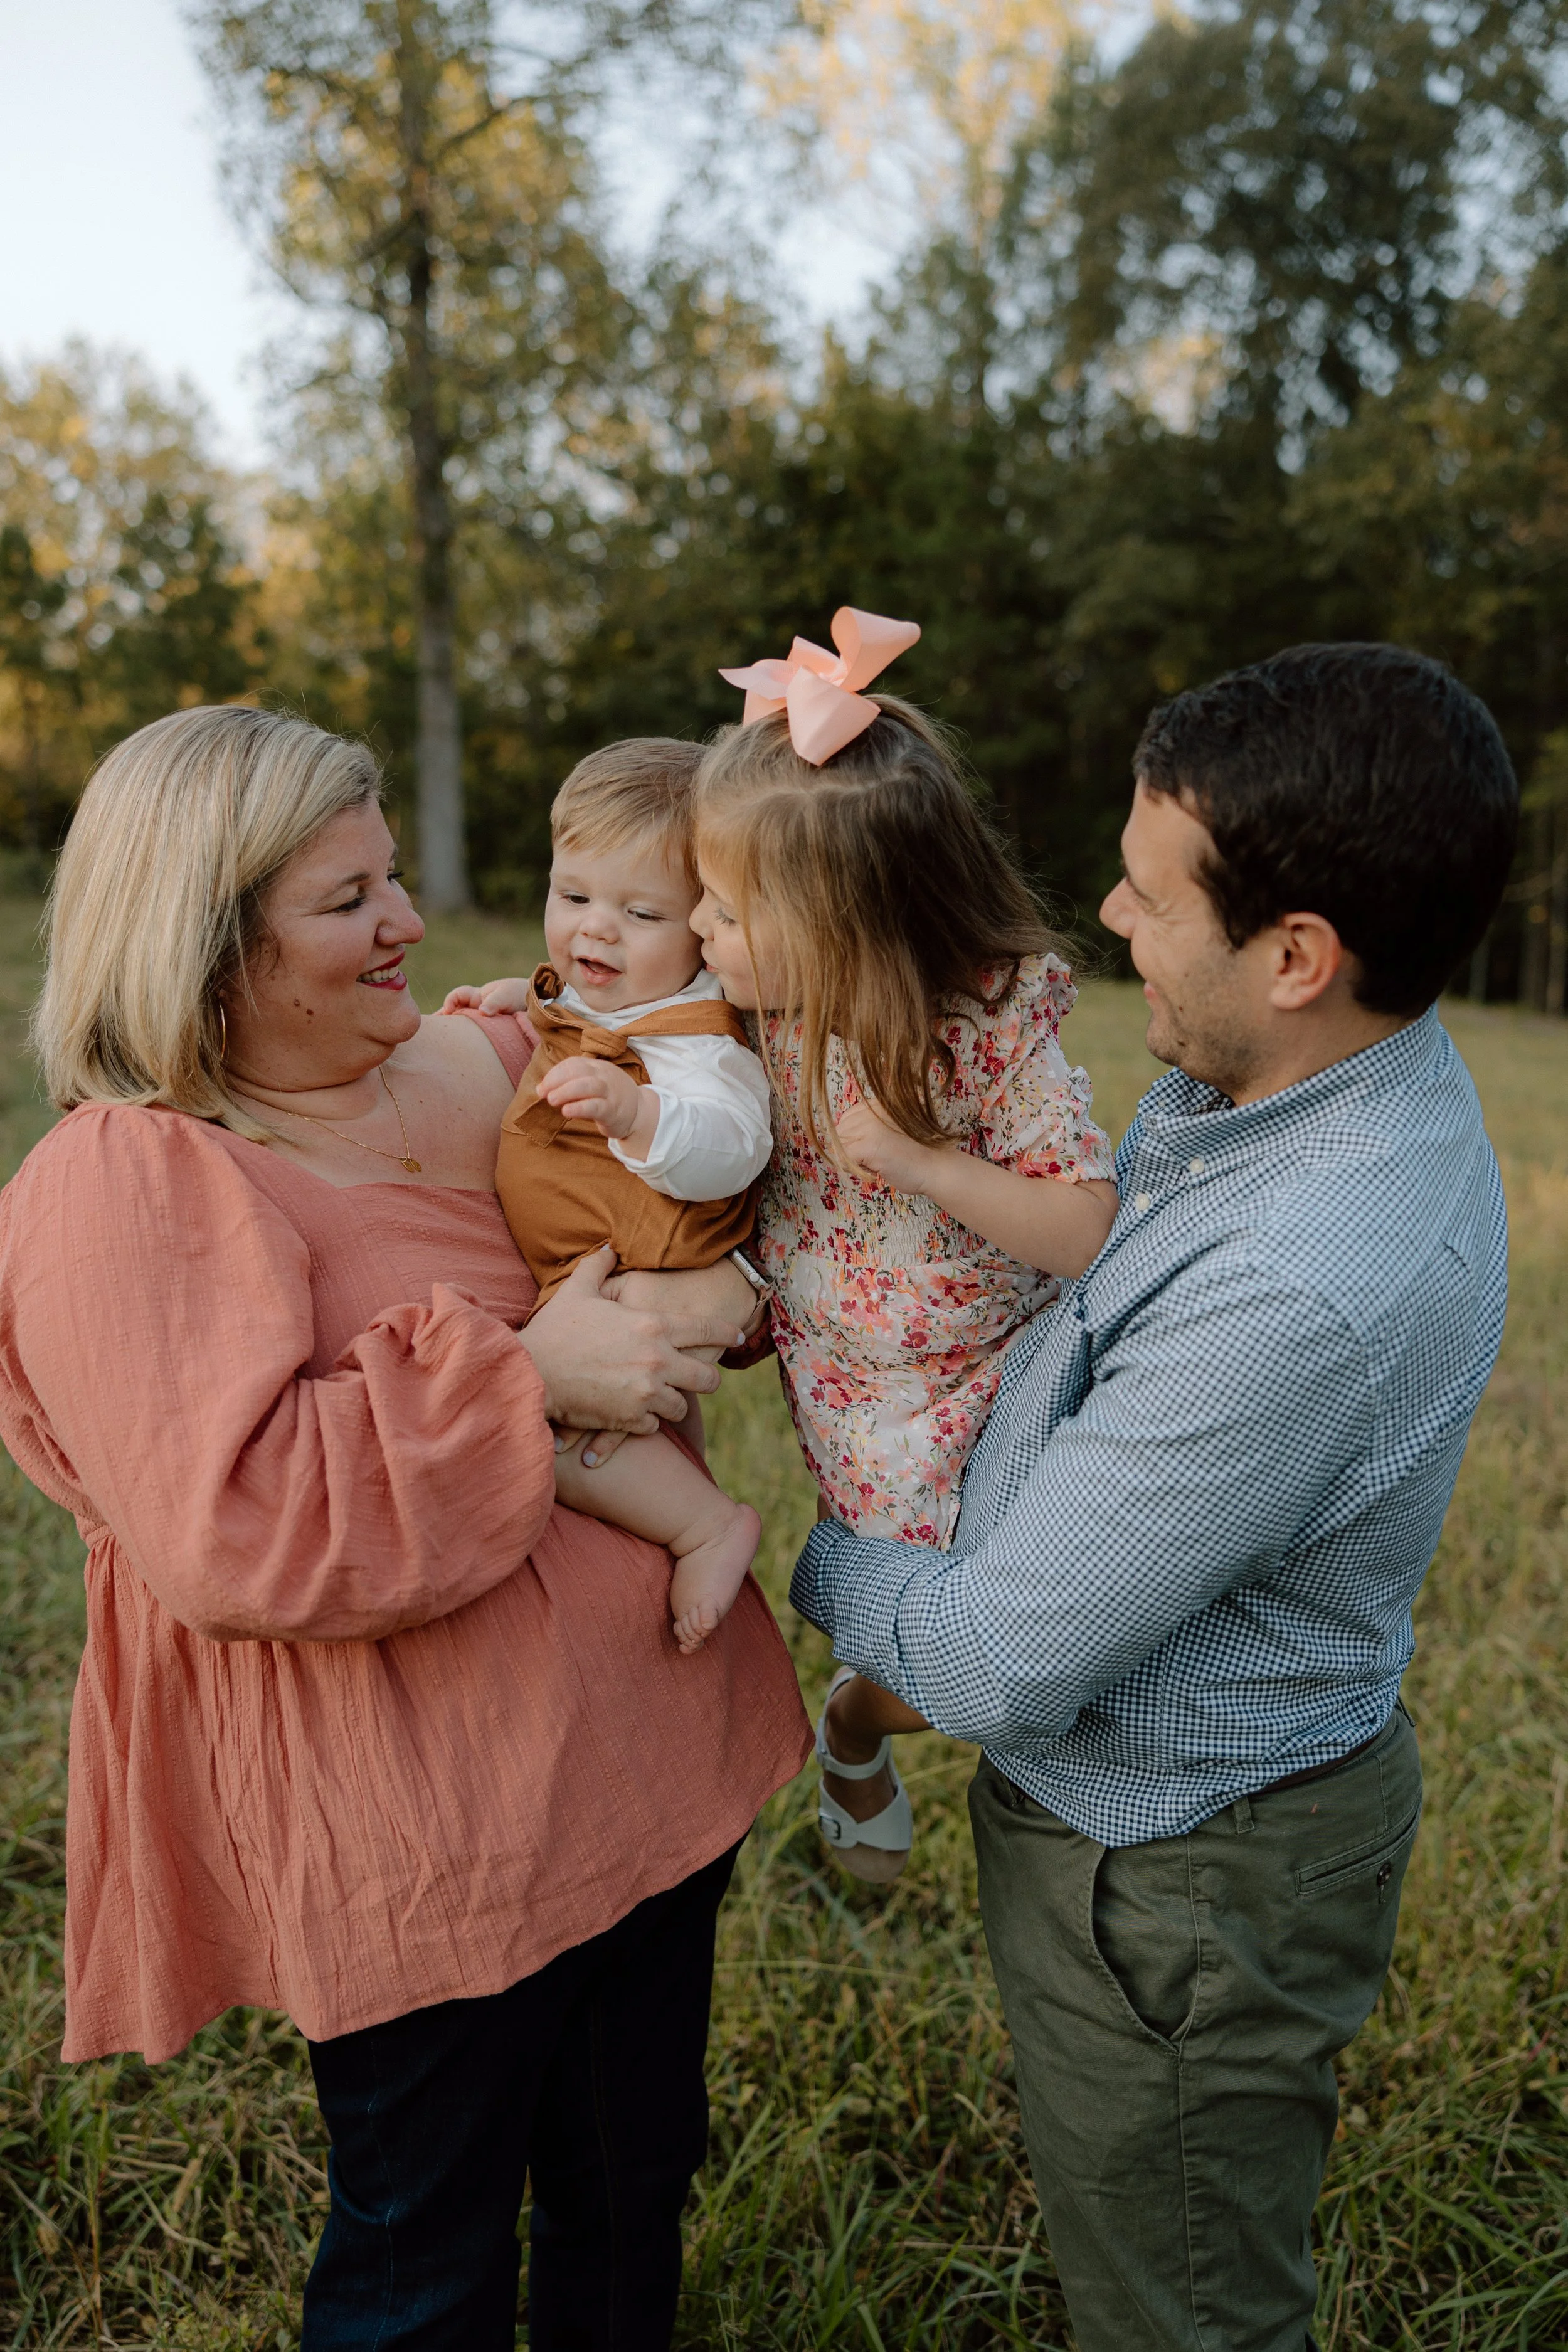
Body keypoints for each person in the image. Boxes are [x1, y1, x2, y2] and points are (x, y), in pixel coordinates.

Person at [0, 704, 810, 2352]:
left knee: (629, 2182)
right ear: (207, 942)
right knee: (423, 2252)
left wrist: (734, 1292)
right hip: (433, 1825)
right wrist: (527, 1376)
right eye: (346, 899)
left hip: (651, 1761)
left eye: (391, 878)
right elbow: (234, 1526)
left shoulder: (501, 1050)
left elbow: (724, 1205)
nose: (407, 922)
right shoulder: (133, 1176)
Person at [790, 641, 1518, 2348]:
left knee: (1182, 2307)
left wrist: (790, 1535)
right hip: (1173, 1835)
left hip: (1177, 1876)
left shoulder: (1302, 1282)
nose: (1109, 921)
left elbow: (989, 1661)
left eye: (1142, 892)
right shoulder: (1313, 1080)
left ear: (1294, 955)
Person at [696, 613, 1120, 1878]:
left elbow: (1086, 1225)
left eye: (725, 908)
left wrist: (928, 1162)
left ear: (841, 925)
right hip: (859, 1398)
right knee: (932, 1656)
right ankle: (858, 1720)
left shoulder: (984, 1035)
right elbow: (605, 1002)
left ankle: (860, 1724)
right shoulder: (745, 1005)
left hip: (1007, 1373)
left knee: (1037, 1642)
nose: (699, 929)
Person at [447, 738, 773, 1654]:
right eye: (574, 894)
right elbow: (580, 1007)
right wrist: (522, 999)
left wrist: (640, 1114)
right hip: (591, 1263)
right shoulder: (612, 994)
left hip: (650, 1268)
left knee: (554, 1434)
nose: (596, 930)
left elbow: (733, 1145)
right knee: (624, 1424)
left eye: (640, 911)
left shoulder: (697, 1043)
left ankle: (706, 1525)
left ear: (705, 928)